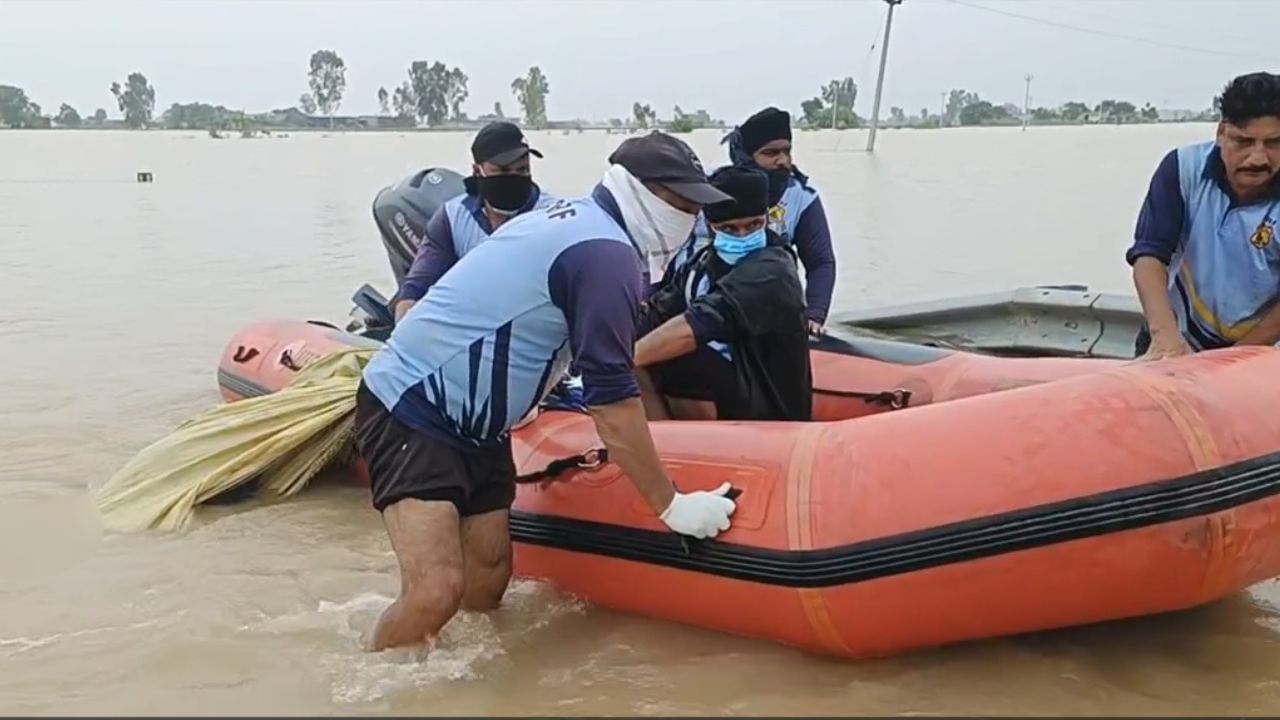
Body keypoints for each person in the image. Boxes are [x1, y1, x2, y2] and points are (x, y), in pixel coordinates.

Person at [354, 131, 738, 652]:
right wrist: (670, 505)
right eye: (683, 203)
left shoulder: (583, 222)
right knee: (435, 593)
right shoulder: (605, 252)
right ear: (643, 192)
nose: (692, 218)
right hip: (413, 405)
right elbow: (611, 399)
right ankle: (371, 678)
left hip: (482, 423)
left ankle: (463, 682)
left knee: (489, 579)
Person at [634, 165, 812, 423]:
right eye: (729, 229)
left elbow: (702, 322)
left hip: (765, 405)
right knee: (636, 352)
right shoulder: (701, 264)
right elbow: (657, 312)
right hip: (727, 381)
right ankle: (655, 435)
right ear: (710, 226)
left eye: (754, 225)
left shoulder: (774, 272)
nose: (743, 236)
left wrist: (622, 361)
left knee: (647, 359)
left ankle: (661, 438)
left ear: (766, 218)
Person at [1126, 71, 1280, 360]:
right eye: (1243, 141)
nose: (1258, 158)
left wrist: (1231, 359)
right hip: (1174, 334)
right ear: (1221, 133)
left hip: (1259, 352)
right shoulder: (1182, 169)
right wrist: (1164, 337)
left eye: (1274, 143)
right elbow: (1149, 256)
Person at [666, 106, 837, 335]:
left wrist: (815, 314)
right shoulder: (706, 189)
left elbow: (820, 261)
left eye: (787, 151)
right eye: (771, 153)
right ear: (746, 156)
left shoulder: (801, 197)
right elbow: (667, 250)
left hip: (766, 310)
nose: (782, 160)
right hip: (692, 307)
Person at [389, 120, 557, 321]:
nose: (514, 178)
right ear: (478, 171)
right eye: (503, 171)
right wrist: (406, 318)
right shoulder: (453, 218)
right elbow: (417, 286)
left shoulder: (553, 216)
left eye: (522, 170)